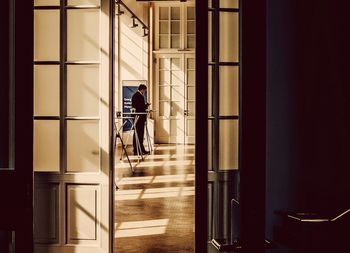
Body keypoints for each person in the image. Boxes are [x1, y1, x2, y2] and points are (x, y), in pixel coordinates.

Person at [131, 84, 150, 155]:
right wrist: (146, 105)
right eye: (144, 90)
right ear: (142, 89)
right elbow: (140, 107)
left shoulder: (136, 95)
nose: (144, 92)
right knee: (139, 134)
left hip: (138, 117)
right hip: (139, 117)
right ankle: (139, 149)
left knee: (137, 134)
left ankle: (137, 149)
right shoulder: (138, 96)